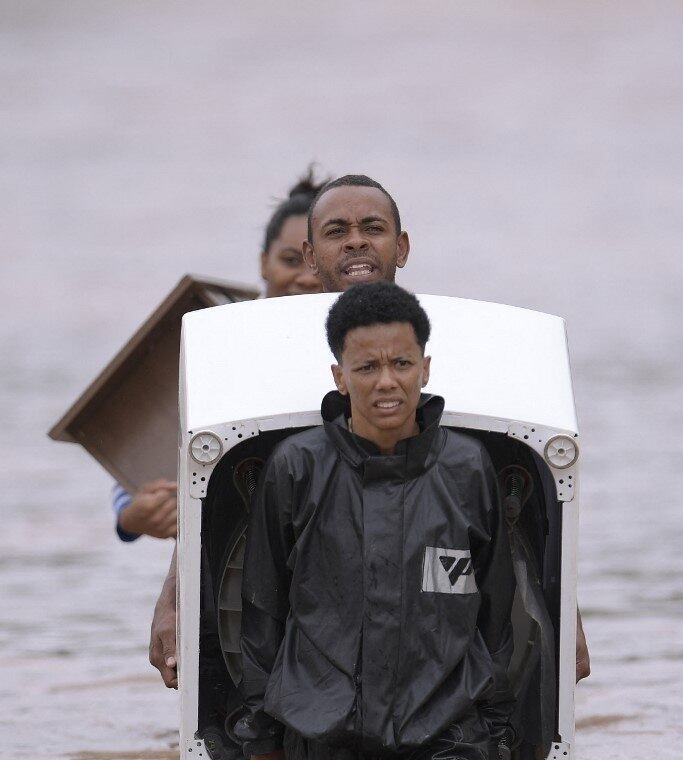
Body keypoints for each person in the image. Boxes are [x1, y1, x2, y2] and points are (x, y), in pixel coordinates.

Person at [150, 173, 590, 687]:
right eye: (337, 231)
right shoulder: (254, 354)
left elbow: (522, 505)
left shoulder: (468, 344)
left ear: (401, 246)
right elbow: (213, 491)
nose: (356, 240)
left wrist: (566, 613)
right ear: (311, 256)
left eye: (373, 228)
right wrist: (174, 596)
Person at [237, 282, 514, 760]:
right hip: (323, 731)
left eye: (401, 363)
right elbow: (260, 612)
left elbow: (497, 614)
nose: (387, 382)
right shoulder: (297, 468)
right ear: (339, 376)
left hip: (445, 729)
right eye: (367, 368)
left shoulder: (467, 468)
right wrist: (262, 741)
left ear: (425, 369)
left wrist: (494, 747)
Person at [114, 170, 327, 542]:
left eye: (316, 263)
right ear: (264, 262)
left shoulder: (365, 346)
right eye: (291, 260)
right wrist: (133, 518)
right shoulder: (218, 339)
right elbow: (136, 461)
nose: (306, 278)